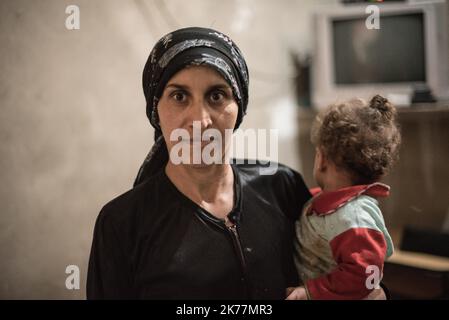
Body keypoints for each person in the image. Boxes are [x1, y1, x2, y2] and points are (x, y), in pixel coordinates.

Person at [86, 27, 386, 300]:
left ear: (238, 108)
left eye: (216, 95)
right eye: (179, 96)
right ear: (155, 110)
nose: (200, 120)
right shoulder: (121, 223)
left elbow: (352, 275)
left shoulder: (281, 186)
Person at [286, 95, 401, 300]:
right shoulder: (332, 205)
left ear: (321, 159)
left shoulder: (353, 216)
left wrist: (310, 292)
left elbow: (365, 274)